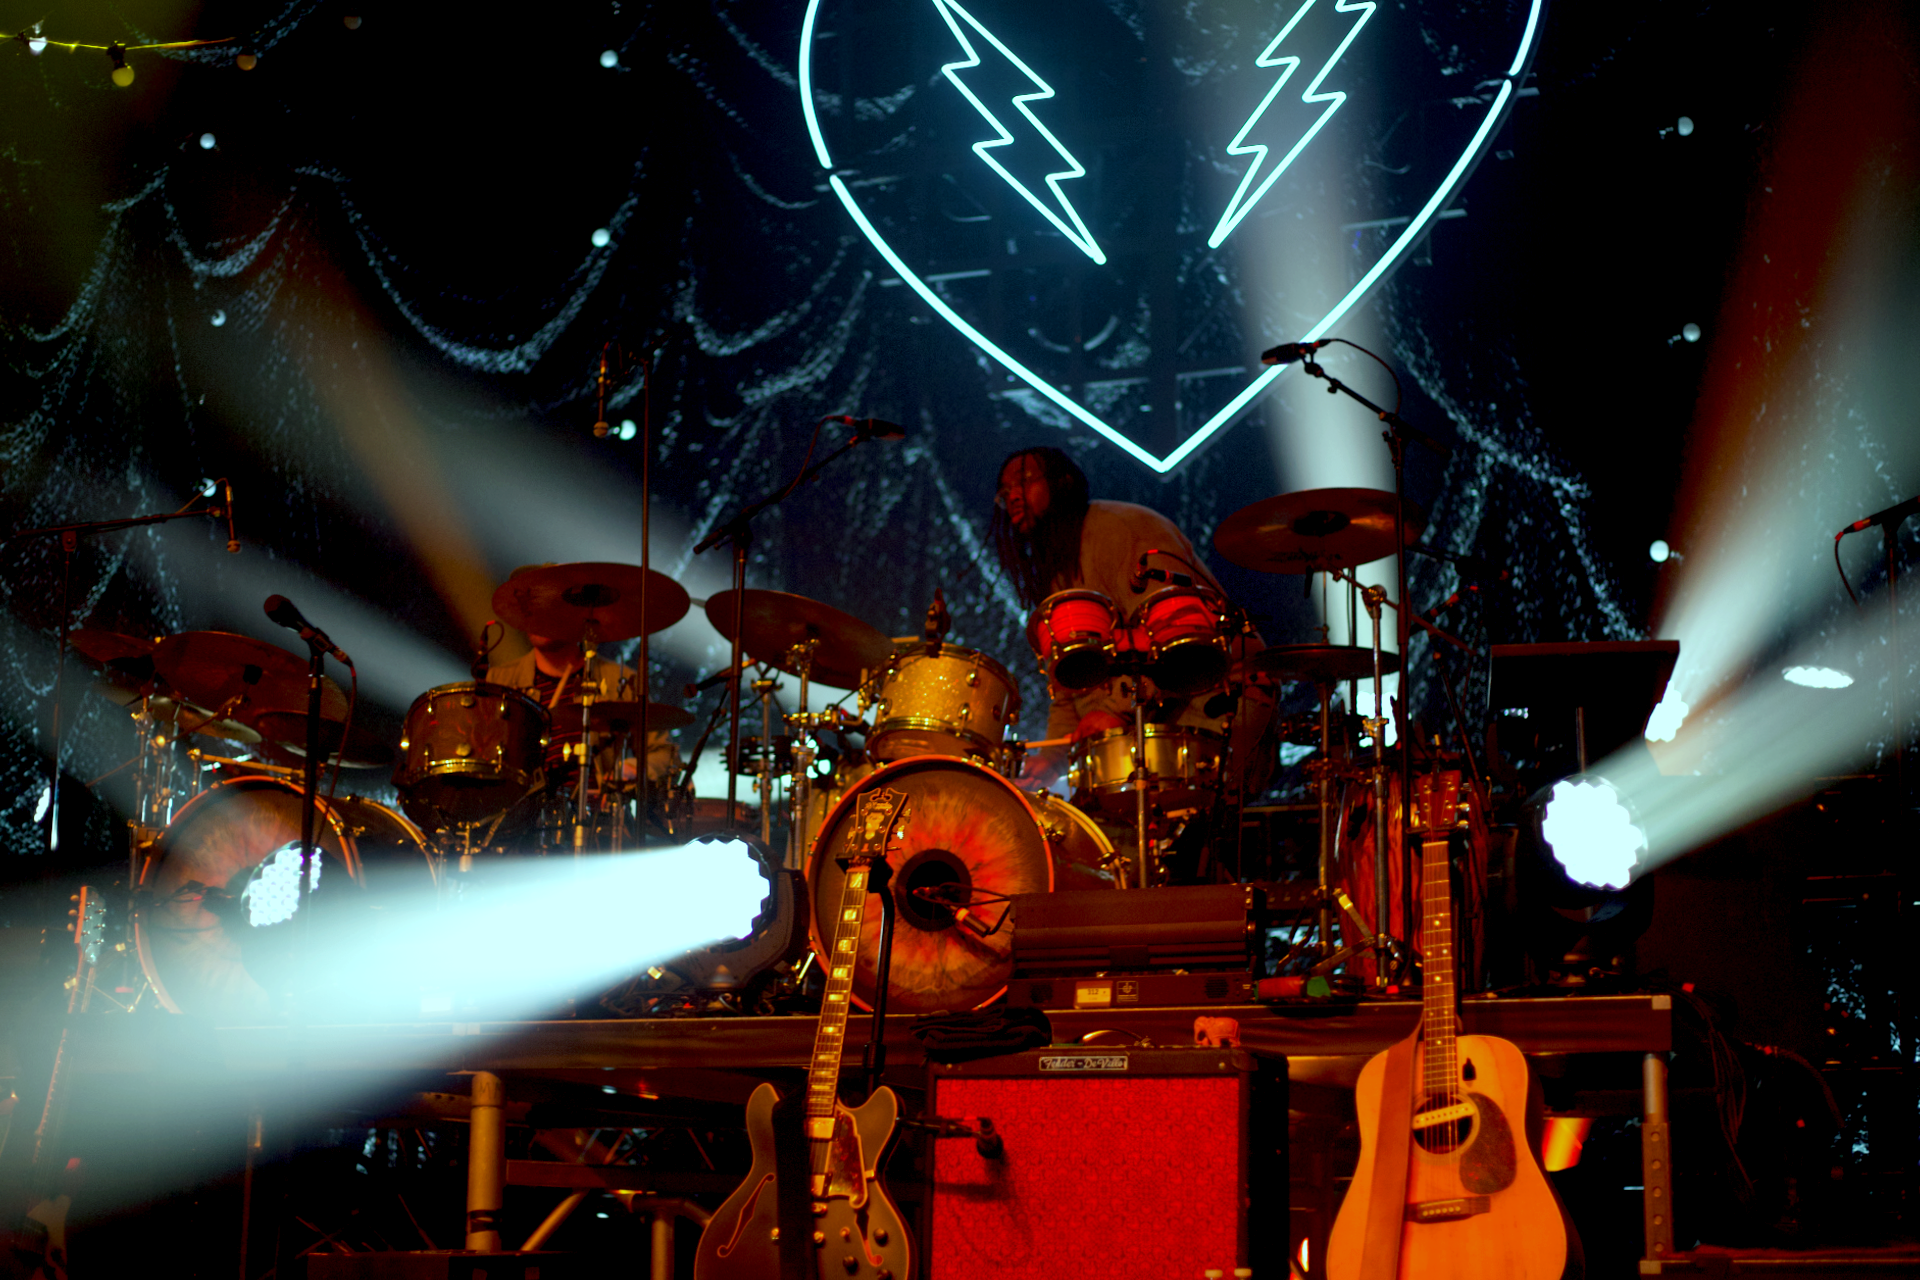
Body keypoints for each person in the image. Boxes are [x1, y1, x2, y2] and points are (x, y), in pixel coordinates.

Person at [991, 446, 1274, 801]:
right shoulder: (1058, 570)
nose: (1012, 496)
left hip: (1217, 701)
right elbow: (1069, 687)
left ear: (1062, 482)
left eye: (1024, 481)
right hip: (1149, 719)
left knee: (1162, 825)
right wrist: (1051, 759)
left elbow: (1181, 643)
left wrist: (1114, 713)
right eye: (1004, 492)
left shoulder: (1120, 530)